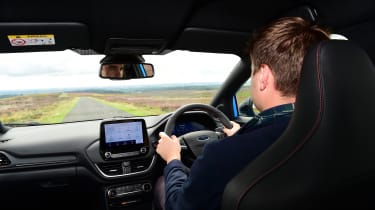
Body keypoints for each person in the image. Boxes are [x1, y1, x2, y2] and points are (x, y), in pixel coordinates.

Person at [154, 16, 330, 210]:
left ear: (263, 76)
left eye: (253, 71)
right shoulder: (337, 131)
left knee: (163, 183)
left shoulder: (224, 154)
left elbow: (180, 206)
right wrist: (242, 136)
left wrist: (173, 159)